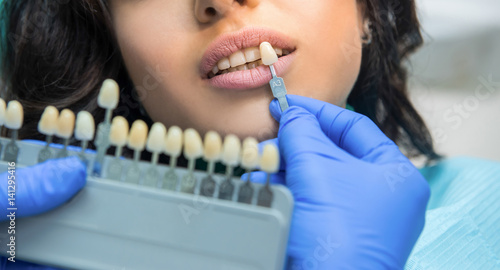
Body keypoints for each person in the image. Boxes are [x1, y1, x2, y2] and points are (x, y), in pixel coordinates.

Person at [0, 1, 498, 269]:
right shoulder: (28, 232)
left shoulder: (489, 217)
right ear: (111, 44)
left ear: (368, 11)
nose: (218, 2)